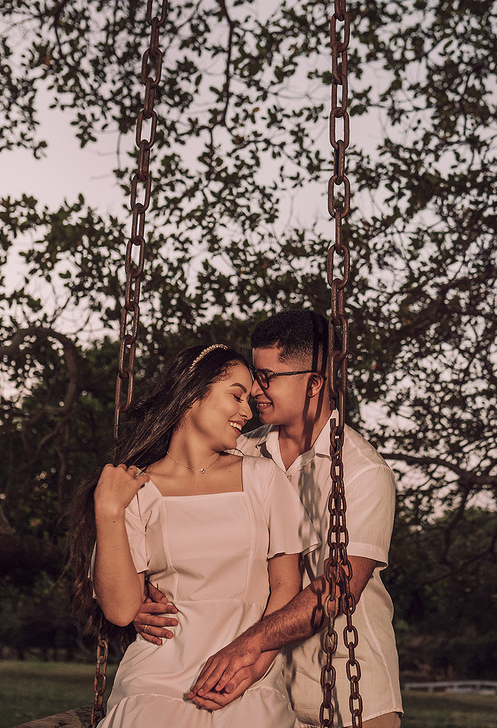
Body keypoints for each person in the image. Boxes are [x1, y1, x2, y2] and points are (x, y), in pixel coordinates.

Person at [135, 311, 403, 728]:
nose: (254, 392)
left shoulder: (362, 471)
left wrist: (249, 644)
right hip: (259, 698)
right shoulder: (241, 453)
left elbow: (341, 586)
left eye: (267, 377)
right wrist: (144, 596)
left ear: (314, 383)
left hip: (353, 697)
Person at [67, 343, 310, 727]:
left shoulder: (263, 479)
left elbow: (285, 585)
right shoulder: (138, 488)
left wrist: (252, 667)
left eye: (249, 400)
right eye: (236, 395)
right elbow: (120, 609)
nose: (247, 412)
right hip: (156, 676)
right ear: (193, 394)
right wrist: (109, 511)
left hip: (245, 678)